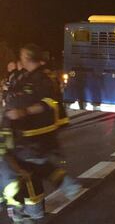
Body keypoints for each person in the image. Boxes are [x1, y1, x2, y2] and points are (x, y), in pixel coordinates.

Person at [3, 44, 81, 222]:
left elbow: (48, 103)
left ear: (26, 57)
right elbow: (15, 93)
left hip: (34, 134)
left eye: (21, 55)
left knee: (28, 168)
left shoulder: (42, 77)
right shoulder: (30, 76)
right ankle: (64, 185)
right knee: (34, 166)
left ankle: (33, 209)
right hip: (28, 133)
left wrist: (23, 112)